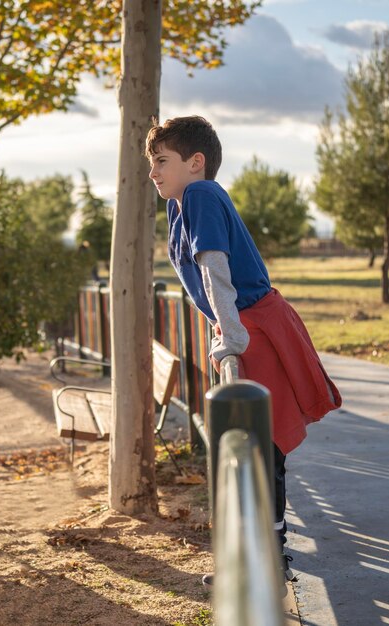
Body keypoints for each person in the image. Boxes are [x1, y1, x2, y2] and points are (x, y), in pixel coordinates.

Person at [145, 115, 342, 588]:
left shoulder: (200, 195)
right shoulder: (179, 203)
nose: (152, 171)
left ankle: (268, 562)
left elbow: (215, 267)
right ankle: (257, 557)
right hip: (243, 324)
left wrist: (231, 336)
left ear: (196, 163)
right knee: (251, 447)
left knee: (261, 446)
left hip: (254, 327)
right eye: (150, 162)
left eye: (161, 161)